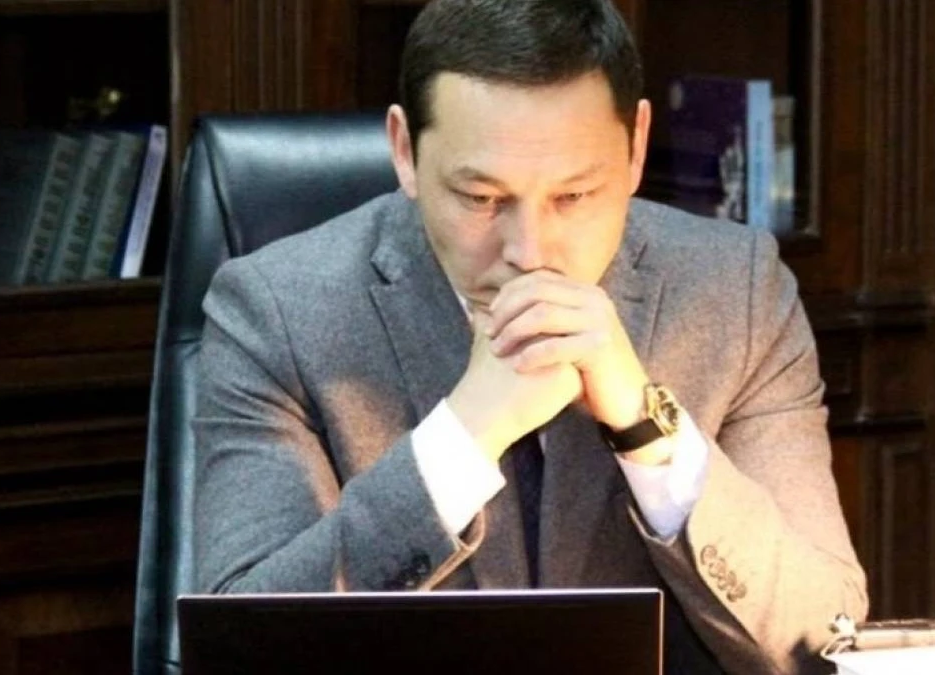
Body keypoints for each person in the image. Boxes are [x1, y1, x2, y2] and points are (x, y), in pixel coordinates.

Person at [192, 0, 868, 672]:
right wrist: (462, 436)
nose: (531, 252)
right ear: (403, 150)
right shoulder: (275, 309)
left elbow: (825, 641)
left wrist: (646, 428)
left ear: (636, 146)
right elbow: (240, 649)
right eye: (482, 199)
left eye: (574, 197)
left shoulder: (736, 291)